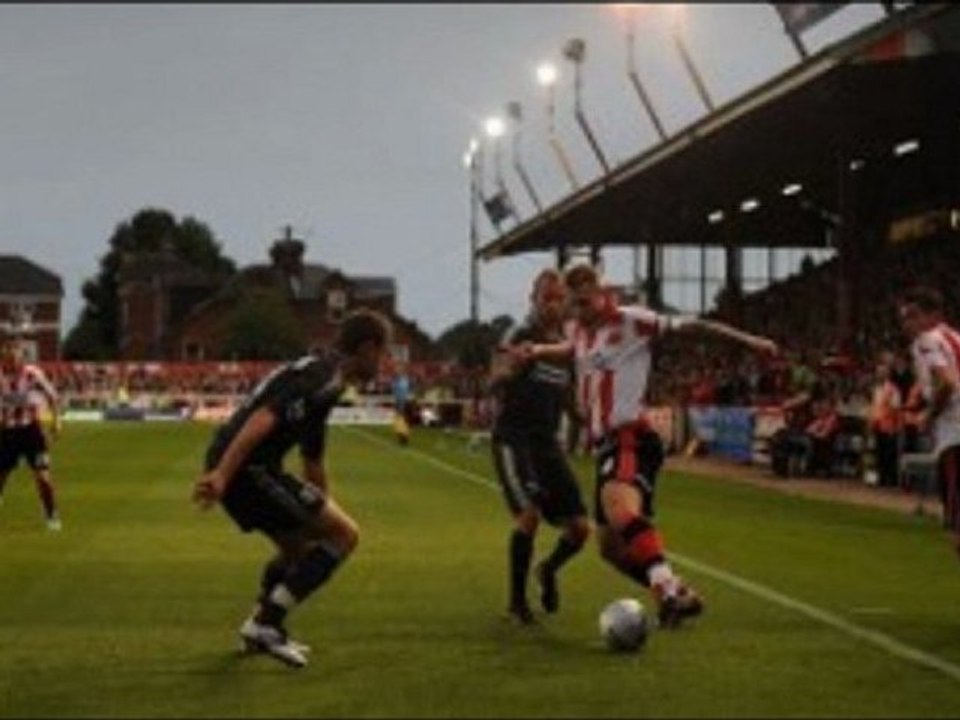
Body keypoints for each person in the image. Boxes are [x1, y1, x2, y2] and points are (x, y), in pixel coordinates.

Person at [514, 264, 778, 627]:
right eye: (575, 304)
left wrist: (751, 342)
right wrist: (537, 351)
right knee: (610, 549)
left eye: (586, 301)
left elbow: (695, 327)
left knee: (618, 507)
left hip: (630, 436)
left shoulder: (631, 321)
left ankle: (667, 592)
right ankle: (677, 593)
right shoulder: (577, 330)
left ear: (599, 291)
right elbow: (570, 349)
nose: (581, 310)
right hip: (606, 444)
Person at [192, 309, 391, 668]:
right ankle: (266, 624)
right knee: (346, 536)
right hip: (246, 468)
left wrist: (322, 504)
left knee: (299, 550)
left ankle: (259, 627)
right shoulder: (319, 376)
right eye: (383, 352)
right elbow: (262, 418)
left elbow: (312, 458)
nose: (384, 362)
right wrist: (222, 474)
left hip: (248, 467)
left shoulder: (327, 378)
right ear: (366, 348)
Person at [489, 269, 591, 624]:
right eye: (546, 297)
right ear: (533, 299)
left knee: (580, 530)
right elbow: (496, 378)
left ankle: (547, 569)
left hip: (547, 443)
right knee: (529, 515)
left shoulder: (566, 345)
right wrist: (511, 369)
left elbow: (565, 395)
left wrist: (584, 420)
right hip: (513, 438)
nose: (552, 304)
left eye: (558, 298)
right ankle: (517, 603)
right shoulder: (520, 335)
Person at [898, 287, 960, 560]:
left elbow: (948, 382)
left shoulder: (927, 341)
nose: (907, 325)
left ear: (933, 315)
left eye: (913, 317)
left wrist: (930, 415)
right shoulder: (954, 337)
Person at [0, 339, 63, 530]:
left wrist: (56, 421)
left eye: (16, 357)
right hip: (6, 433)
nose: (13, 361)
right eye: (9, 357)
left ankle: (51, 514)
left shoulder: (32, 374)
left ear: (22, 358)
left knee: (43, 476)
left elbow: (52, 396)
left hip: (31, 432)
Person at [869, 357, 902, 488]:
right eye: (878, 372)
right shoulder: (876, 389)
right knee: (879, 452)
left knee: (889, 454)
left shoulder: (893, 389)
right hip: (878, 424)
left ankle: (890, 479)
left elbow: (895, 407)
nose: (879, 374)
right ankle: (881, 477)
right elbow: (875, 406)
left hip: (889, 425)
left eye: (882, 372)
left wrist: (894, 426)